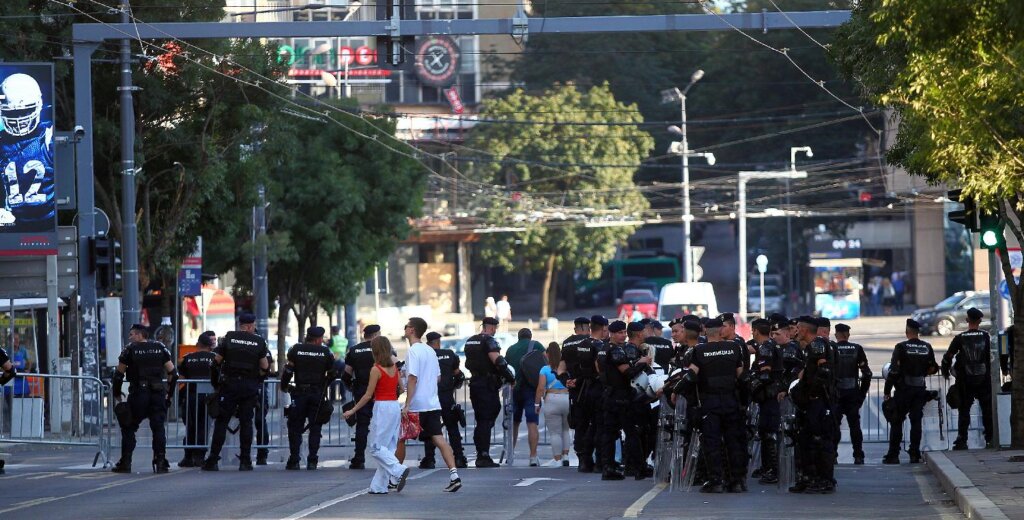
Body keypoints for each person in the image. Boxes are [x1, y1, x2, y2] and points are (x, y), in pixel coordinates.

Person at [342, 336, 411, 495]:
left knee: (376, 447)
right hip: (394, 406)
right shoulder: (394, 367)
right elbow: (401, 388)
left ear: (376, 350)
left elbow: (367, 395)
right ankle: (378, 486)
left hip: (382, 407)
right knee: (388, 446)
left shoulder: (376, 369)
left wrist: (352, 411)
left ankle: (398, 469)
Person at [401, 318, 463, 492]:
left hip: (417, 405)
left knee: (400, 438)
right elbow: (437, 377)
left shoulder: (413, 351)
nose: (404, 329)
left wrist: (407, 404)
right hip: (432, 403)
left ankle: (394, 475)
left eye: (406, 326)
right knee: (439, 438)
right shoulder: (430, 351)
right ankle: (454, 475)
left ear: (412, 330)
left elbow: (412, 378)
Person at [203, 313, 270, 471]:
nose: (254, 328)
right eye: (253, 325)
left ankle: (213, 460)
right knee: (246, 422)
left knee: (222, 422)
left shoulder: (229, 338)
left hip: (230, 386)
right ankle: (245, 461)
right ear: (249, 326)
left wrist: (216, 383)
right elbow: (265, 367)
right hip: (249, 387)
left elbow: (215, 362)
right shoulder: (259, 341)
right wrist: (256, 381)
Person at [687, 318, 746, 493]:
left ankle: (716, 480)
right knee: (733, 441)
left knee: (712, 442)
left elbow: (691, 376)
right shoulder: (734, 348)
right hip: (731, 400)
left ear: (705, 331)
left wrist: (677, 392)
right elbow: (742, 377)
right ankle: (736, 481)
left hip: (710, 402)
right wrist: (743, 402)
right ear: (721, 331)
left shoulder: (699, 350)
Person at [112, 324, 178, 474]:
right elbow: (173, 373)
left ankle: (126, 462)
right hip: (157, 394)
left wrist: (116, 393)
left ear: (140, 335)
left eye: (132, 334)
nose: (130, 337)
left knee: (129, 427)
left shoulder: (129, 349)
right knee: (158, 428)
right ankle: (161, 461)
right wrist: (169, 394)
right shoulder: (160, 348)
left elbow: (118, 374)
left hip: (139, 394)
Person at [789, 316, 837, 494]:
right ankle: (808, 478)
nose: (796, 331)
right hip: (810, 404)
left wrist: (812, 394)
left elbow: (824, 372)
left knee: (821, 441)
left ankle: (825, 479)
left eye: (798, 328)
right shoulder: (809, 348)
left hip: (818, 403)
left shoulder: (818, 345)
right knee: (805, 441)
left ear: (805, 330)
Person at [883, 318, 938, 465]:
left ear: (907, 332)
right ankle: (914, 453)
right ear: (917, 332)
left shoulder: (901, 347)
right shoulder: (927, 347)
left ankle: (893, 455)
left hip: (903, 390)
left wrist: (887, 390)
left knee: (896, 422)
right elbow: (934, 367)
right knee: (916, 422)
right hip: (919, 389)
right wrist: (923, 372)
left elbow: (893, 372)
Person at [281, 326, 336, 470]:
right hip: (317, 394)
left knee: (295, 427)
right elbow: (332, 373)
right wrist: (324, 386)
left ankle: (294, 459)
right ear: (318, 339)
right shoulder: (325, 352)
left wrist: (284, 386)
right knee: (315, 427)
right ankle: (312, 460)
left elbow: (288, 370)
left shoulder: (296, 350)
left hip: (299, 393)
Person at [464, 317, 515, 467]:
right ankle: (483, 455)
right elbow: (498, 361)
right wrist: (510, 378)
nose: (495, 330)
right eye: (495, 328)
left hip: (475, 383)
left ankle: (481, 450)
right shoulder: (489, 341)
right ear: (491, 327)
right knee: (487, 419)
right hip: (487, 385)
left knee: (481, 420)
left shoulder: (470, 341)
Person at [942, 307, 993, 450]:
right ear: (980, 321)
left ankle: (962, 439)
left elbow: (948, 356)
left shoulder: (960, 338)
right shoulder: (986, 337)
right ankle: (990, 437)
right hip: (984, 379)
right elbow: (992, 356)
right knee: (987, 410)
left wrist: (945, 371)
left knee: (964, 411)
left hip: (965, 380)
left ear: (967, 320)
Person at [558, 316, 600, 472]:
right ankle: (595, 459)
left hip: (575, 391)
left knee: (580, 426)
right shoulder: (592, 343)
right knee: (595, 424)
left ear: (575, 328)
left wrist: (567, 380)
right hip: (591, 386)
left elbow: (561, 369)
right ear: (588, 328)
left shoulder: (567, 343)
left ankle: (582, 459)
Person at [422, 331, 468, 469]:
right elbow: (458, 375)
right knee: (452, 428)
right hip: (446, 397)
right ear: (438, 341)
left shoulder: (425, 355)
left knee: (431, 429)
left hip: (430, 397)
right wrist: (451, 387)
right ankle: (459, 458)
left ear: (428, 343)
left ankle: (429, 459)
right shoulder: (449, 354)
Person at [176, 331, 217, 467]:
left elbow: (181, 380)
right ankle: (200, 456)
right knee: (203, 426)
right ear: (210, 346)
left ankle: (188, 456)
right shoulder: (215, 358)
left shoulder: (187, 358)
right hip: (209, 397)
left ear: (197, 344)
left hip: (191, 396)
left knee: (190, 426)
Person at [343, 324, 381, 469]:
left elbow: (346, 374)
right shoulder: (382, 349)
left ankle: (359, 458)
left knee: (362, 425)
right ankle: (387, 457)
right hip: (381, 392)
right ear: (376, 335)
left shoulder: (354, 350)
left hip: (362, 391)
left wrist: (352, 386)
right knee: (383, 426)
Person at [833, 323, 871, 465]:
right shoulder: (857, 349)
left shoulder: (832, 348)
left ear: (836, 335)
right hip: (852, 393)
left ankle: (833, 455)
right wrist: (861, 394)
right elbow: (867, 373)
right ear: (848, 335)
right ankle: (858, 455)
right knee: (854, 426)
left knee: (834, 426)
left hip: (836, 394)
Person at [749, 318, 781, 484]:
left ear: (755, 331)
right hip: (768, 396)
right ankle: (768, 467)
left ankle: (773, 469)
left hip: (769, 396)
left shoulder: (765, 347)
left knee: (769, 432)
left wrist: (751, 383)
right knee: (765, 431)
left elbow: (765, 375)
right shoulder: (770, 346)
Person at [506, 328, 545, 466]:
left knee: (513, 423)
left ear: (518, 337)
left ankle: (510, 454)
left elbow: (506, 368)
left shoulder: (511, 349)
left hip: (514, 389)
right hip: (531, 390)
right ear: (530, 336)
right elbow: (545, 364)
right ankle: (533, 457)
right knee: (532, 423)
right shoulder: (537, 345)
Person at [536, 341, 571, 466]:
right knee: (566, 430)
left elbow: (540, 388)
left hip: (551, 399)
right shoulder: (566, 367)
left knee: (555, 432)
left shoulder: (545, 369)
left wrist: (536, 404)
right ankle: (566, 456)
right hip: (567, 398)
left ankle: (557, 459)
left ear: (548, 354)